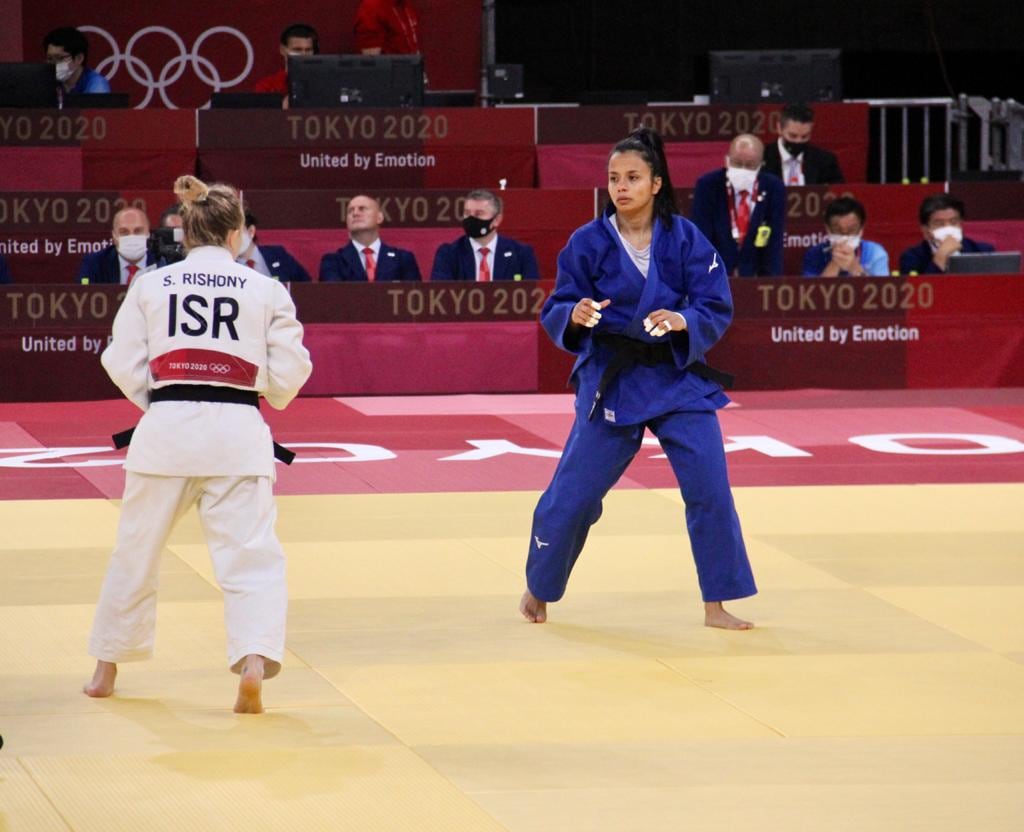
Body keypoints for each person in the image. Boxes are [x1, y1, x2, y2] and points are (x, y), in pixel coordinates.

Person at [84, 174, 312, 714]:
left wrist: (164, 400)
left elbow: (119, 360)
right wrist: (261, 394)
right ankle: (253, 660)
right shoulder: (264, 288)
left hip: (166, 432)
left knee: (135, 552)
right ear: (236, 234)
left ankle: (105, 668)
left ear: (184, 233)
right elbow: (291, 371)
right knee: (251, 557)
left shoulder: (151, 285)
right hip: (237, 434)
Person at [520, 127, 757, 631]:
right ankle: (540, 586)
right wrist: (576, 312)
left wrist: (684, 321)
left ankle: (718, 602)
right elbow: (559, 303)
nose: (620, 186)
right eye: (613, 178)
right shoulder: (587, 242)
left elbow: (713, 302)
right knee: (575, 495)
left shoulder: (686, 237)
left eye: (632, 177)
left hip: (677, 378)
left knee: (710, 490)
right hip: (614, 377)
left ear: (656, 183)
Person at [691, 134, 786, 277]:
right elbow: (702, 238)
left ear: (761, 165)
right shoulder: (708, 185)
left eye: (750, 165)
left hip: (756, 275)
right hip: (715, 274)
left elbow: (774, 242)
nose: (742, 169)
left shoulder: (773, 187)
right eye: (737, 163)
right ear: (727, 160)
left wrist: (769, 283)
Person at [430, 189, 540, 281]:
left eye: (479, 214)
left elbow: (531, 295)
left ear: (496, 220)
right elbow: (441, 296)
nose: (471, 219)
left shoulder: (521, 254)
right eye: (467, 213)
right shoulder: (448, 254)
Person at [319, 194, 422, 281]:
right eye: (350, 211)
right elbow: (332, 300)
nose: (355, 213)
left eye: (362, 209)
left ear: (379, 217)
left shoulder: (403, 259)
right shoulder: (333, 261)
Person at [898, 193, 995, 274]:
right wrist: (941, 255)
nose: (948, 229)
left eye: (953, 222)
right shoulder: (911, 257)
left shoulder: (983, 252)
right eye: (939, 224)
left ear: (961, 225)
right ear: (925, 231)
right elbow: (920, 292)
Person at [802, 196, 890, 277]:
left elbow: (880, 292)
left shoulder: (875, 252)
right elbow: (814, 292)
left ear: (861, 229)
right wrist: (835, 262)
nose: (844, 235)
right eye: (837, 230)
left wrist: (853, 267)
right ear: (828, 229)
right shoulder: (814, 254)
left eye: (851, 230)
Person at [763, 103, 845, 186]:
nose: (798, 141)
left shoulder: (825, 161)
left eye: (804, 136)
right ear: (779, 128)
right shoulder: (762, 157)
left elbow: (837, 193)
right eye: (793, 136)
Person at [75, 207, 158, 284]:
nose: (131, 237)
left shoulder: (162, 263)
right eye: (124, 232)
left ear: (148, 234)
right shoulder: (94, 263)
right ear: (114, 236)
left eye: (138, 231)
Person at [236, 210, 311, 282]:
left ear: (251, 231)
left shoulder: (278, 255)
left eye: (237, 232)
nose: (231, 238)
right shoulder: (226, 265)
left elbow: (305, 284)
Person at [253, 23, 319, 97]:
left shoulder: (322, 83)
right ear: (282, 50)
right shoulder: (266, 85)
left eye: (308, 50)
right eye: (297, 49)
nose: (303, 55)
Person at [43, 27, 111, 97]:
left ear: (79, 58)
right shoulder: (45, 82)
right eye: (50, 58)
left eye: (60, 58)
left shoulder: (97, 85)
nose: (54, 64)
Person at [354, 0, 420, 55]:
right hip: (394, 69)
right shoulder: (371, 7)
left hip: (412, 67)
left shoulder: (405, 4)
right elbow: (373, 64)